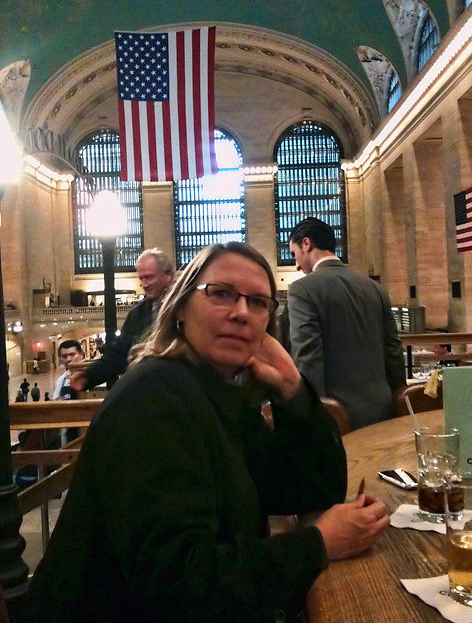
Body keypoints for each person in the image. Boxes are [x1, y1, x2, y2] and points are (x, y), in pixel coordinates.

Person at [22, 242, 389, 623]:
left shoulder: (217, 393)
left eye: (258, 302)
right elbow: (177, 584)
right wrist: (317, 545)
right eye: (222, 293)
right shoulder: (153, 399)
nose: (241, 313)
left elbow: (311, 489)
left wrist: (291, 388)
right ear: (180, 307)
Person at [287, 217, 406, 431]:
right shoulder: (376, 289)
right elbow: (393, 352)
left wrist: (312, 419)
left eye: (294, 254)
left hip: (337, 419)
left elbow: (308, 359)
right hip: (384, 412)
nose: (296, 265)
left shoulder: (302, 290)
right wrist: (399, 402)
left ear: (306, 244)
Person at [70, 248, 175, 391]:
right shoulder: (137, 314)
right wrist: (89, 376)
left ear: (168, 275)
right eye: (141, 279)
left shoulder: (188, 308)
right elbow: (118, 355)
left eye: (149, 277)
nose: (144, 284)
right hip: (146, 390)